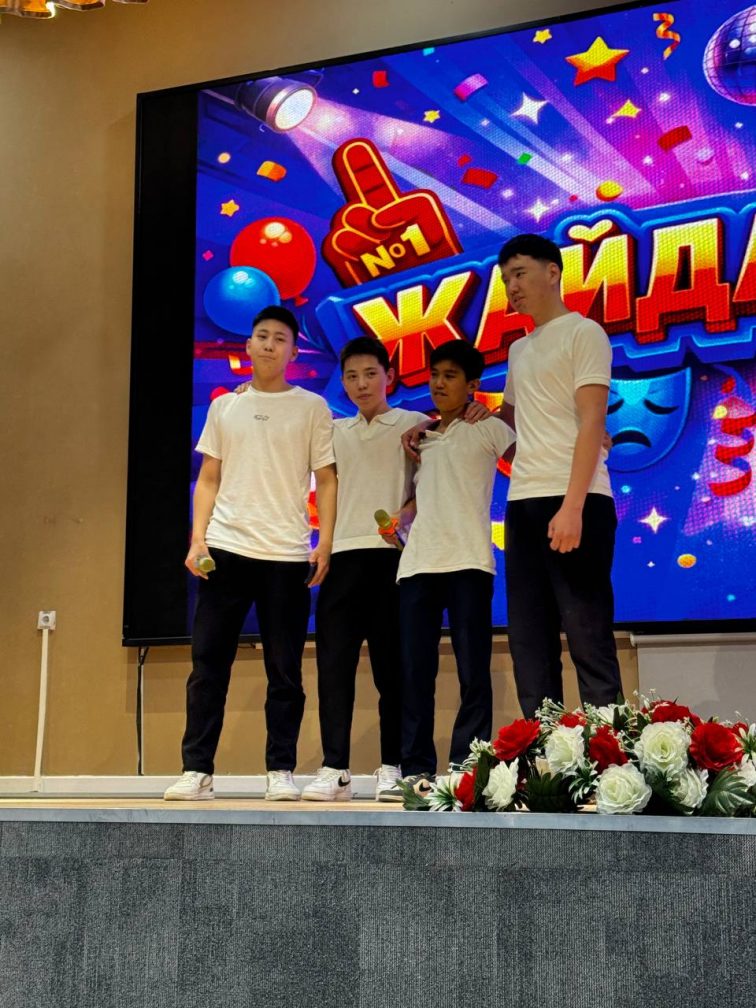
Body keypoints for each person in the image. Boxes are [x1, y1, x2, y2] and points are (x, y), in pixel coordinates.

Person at [164, 305, 337, 801]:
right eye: (262, 335)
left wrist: (324, 541)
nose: (269, 344)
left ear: (293, 351)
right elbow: (209, 478)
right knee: (207, 666)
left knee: (284, 671)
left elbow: (326, 478)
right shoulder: (225, 407)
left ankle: (280, 770)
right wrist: (198, 538)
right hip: (226, 549)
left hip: (285, 554)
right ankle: (197, 770)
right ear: (248, 343)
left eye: (280, 338)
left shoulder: (312, 408)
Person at [497, 233, 622, 718]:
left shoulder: (583, 332)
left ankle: (607, 751)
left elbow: (592, 420)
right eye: (506, 279)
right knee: (530, 641)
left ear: (553, 272)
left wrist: (572, 507)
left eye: (520, 274)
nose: (512, 287)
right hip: (523, 501)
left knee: (588, 634)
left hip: (578, 499)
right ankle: (544, 753)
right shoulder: (518, 349)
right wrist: (441, 424)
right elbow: (510, 418)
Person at [300, 336, 428, 803]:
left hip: (394, 560)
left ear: (389, 376)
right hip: (340, 559)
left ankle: (393, 766)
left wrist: (405, 515)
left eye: (370, 374)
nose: (361, 384)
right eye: (351, 376)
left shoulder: (414, 425)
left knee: (393, 671)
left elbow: (430, 485)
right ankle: (335, 768)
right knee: (334, 668)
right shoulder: (334, 431)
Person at [389, 339, 515, 793]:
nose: (438, 384)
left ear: (472, 385)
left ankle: (467, 764)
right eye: (434, 375)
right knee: (414, 672)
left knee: (473, 671)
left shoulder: (489, 429)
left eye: (450, 376)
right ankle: (415, 767)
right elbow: (419, 497)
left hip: (469, 563)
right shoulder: (419, 437)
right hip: (417, 566)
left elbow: (533, 462)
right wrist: (401, 517)